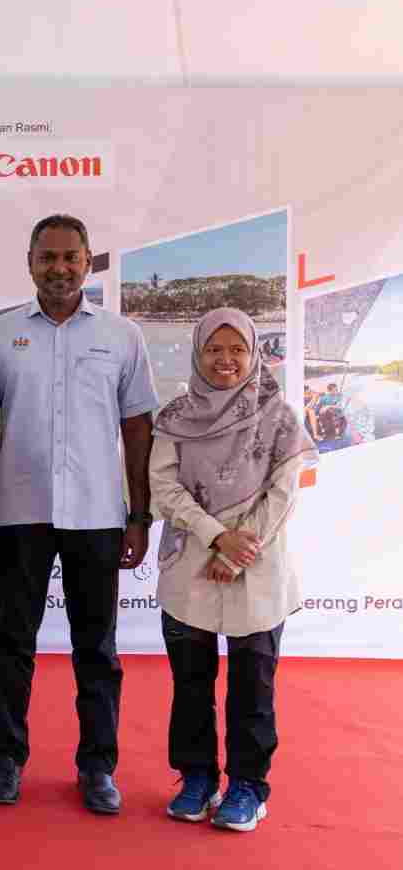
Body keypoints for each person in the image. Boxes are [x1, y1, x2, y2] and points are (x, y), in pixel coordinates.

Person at [0, 214, 158, 814]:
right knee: (12, 642)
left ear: (88, 261)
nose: (59, 268)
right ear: (30, 263)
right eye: (47, 257)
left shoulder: (123, 336)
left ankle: (98, 766)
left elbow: (138, 429)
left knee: (97, 648)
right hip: (21, 511)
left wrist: (139, 516)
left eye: (70, 257)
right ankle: (5, 759)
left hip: (99, 515)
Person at [151, 308, 317, 832]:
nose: (226, 360)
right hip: (192, 563)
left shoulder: (281, 416)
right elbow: (164, 486)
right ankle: (197, 777)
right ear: (198, 353)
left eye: (236, 349)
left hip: (257, 565)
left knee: (253, 684)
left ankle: (248, 785)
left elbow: (284, 491)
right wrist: (216, 537)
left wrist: (240, 547)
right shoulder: (176, 415)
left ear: (253, 354)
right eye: (214, 349)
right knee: (191, 683)